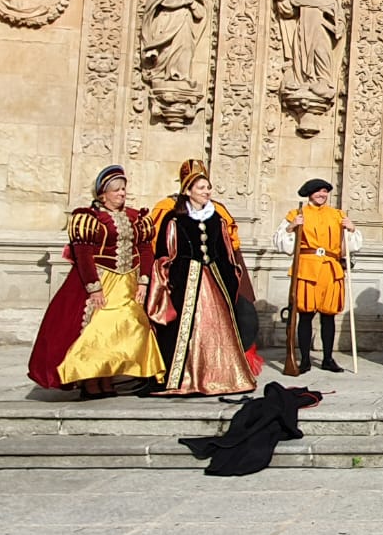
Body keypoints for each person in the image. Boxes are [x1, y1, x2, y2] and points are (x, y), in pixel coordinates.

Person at [28, 165, 164, 398]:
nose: (122, 193)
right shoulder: (88, 218)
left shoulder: (135, 218)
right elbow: (83, 254)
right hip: (102, 280)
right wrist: (94, 288)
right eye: (116, 190)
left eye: (123, 189)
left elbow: (144, 249)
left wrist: (143, 281)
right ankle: (91, 381)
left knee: (123, 329)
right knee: (96, 331)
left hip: (128, 283)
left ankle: (108, 378)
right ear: (103, 194)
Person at [148, 162, 258, 397]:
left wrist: (229, 277)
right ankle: (185, 376)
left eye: (208, 187)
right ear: (188, 191)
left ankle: (220, 376)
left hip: (214, 278)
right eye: (201, 188)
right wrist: (170, 278)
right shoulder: (175, 218)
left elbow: (225, 251)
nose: (207, 191)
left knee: (218, 327)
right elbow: (164, 252)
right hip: (186, 279)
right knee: (188, 326)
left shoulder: (217, 218)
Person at [275, 178, 359, 374]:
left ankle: (328, 358)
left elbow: (349, 245)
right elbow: (283, 243)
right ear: (309, 193)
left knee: (328, 316)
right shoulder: (297, 214)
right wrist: (291, 227)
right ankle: (304, 359)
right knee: (305, 315)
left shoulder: (337, 215)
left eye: (325, 191)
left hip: (331, 269)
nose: (322, 195)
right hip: (307, 269)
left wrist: (352, 229)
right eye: (318, 191)